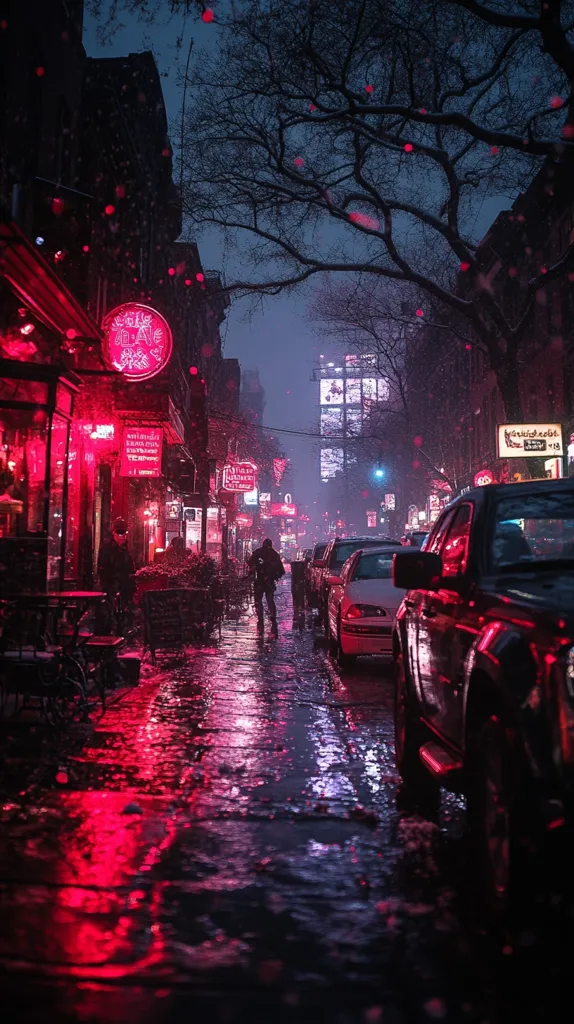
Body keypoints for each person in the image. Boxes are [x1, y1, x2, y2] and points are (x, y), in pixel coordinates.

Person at [97, 517, 136, 633]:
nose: (122, 536)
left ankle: (120, 631)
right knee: (110, 611)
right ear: (113, 533)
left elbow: (128, 566)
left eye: (124, 533)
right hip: (112, 586)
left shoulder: (125, 548)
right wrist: (110, 583)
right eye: (119, 533)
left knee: (121, 611)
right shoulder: (108, 549)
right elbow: (104, 569)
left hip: (123, 586)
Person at [248, 538, 285, 634]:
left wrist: (252, 572)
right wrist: (274, 576)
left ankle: (260, 617)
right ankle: (272, 616)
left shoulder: (257, 553)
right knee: (269, 599)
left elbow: (250, 563)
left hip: (259, 581)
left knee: (258, 600)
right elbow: (281, 570)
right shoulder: (274, 554)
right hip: (268, 582)